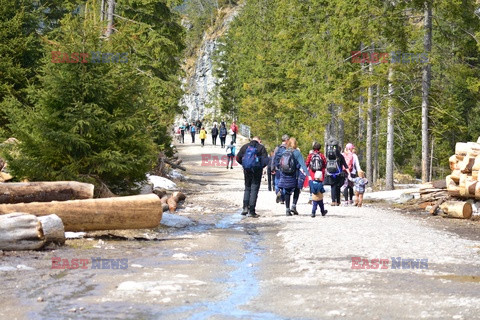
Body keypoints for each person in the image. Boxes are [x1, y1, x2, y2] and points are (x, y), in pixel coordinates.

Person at [236, 136, 269, 217]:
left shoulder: (245, 147)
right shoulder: (261, 148)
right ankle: (251, 211)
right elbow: (266, 161)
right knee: (254, 189)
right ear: (259, 140)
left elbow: (237, 158)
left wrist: (244, 165)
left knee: (247, 188)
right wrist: (260, 166)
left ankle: (245, 208)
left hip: (247, 170)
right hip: (257, 171)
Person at [277, 138, 309, 216]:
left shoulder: (284, 152)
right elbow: (303, 164)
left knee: (287, 191)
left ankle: (287, 209)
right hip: (294, 174)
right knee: (297, 189)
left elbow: (280, 163)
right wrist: (308, 174)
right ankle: (293, 206)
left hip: (285, 174)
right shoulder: (297, 153)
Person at [323, 139, 349, 206]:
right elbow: (345, 165)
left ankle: (333, 201)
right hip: (338, 173)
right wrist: (348, 173)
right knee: (337, 187)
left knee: (333, 186)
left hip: (331, 173)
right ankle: (338, 201)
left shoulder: (328, 155)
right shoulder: (340, 156)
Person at [273, 134, 290, 204]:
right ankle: (282, 199)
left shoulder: (277, 148)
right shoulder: (288, 149)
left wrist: (273, 167)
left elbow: (274, 158)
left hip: (278, 168)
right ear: (286, 140)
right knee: (284, 184)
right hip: (285, 169)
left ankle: (277, 192)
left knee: (277, 183)